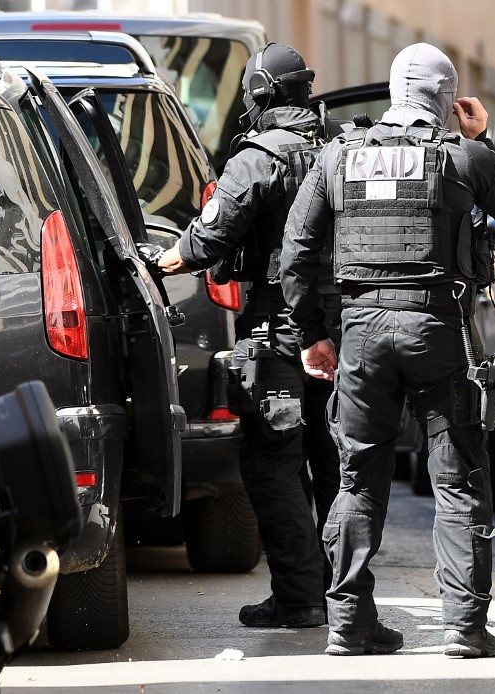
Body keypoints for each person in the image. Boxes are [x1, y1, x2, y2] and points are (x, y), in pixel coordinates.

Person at [280, 42, 495, 658]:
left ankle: (349, 624)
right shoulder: (462, 156)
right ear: (448, 99)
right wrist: (484, 137)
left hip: (361, 334)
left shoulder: (337, 156)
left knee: (356, 479)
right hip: (435, 329)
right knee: (458, 478)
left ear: (395, 92)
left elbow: (295, 254)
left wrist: (313, 334)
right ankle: (465, 628)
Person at [153, 42, 328, 629]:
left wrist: (165, 259)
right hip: (342, 331)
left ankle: (301, 598)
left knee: (273, 461)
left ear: (258, 98)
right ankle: (348, 596)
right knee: (336, 464)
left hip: (280, 328)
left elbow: (211, 236)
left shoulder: (258, 156)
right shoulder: (339, 149)